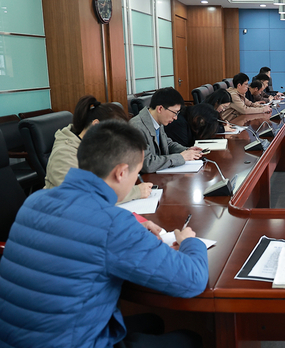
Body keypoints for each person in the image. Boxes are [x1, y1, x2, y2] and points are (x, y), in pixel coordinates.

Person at [0, 120, 208, 348]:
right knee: (191, 339)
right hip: (69, 342)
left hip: (15, 337)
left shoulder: (35, 201)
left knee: (152, 322)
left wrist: (131, 231)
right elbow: (193, 280)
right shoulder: (113, 225)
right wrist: (190, 242)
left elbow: (78, 237)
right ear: (121, 172)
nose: (136, 181)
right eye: (136, 174)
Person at [44, 95, 153, 203]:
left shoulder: (97, 147)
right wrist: (135, 192)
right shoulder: (63, 154)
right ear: (96, 125)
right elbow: (83, 198)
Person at [130, 87, 202, 173]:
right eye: (174, 113)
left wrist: (187, 151)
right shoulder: (136, 127)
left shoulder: (157, 121)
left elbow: (168, 144)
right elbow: (147, 164)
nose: (175, 118)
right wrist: (181, 157)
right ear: (160, 109)